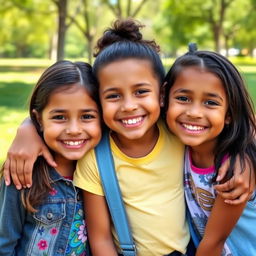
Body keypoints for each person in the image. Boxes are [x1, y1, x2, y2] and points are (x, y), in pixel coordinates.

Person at [1, 19, 254, 255]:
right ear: (98, 102)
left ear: (162, 94)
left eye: (141, 91)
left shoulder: (177, 132)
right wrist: (29, 128)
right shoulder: (95, 157)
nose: (129, 106)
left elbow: (231, 121)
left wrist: (246, 157)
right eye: (113, 96)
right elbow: (100, 240)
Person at [0, 60, 102, 255]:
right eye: (59, 117)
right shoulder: (22, 174)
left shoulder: (107, 168)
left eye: (87, 116)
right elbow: (4, 244)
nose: (74, 130)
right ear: (39, 119)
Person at [164, 44, 256, 256]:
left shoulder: (231, 172)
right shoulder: (178, 142)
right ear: (164, 98)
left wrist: (247, 157)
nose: (194, 112)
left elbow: (213, 243)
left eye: (210, 102)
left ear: (229, 114)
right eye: (183, 98)